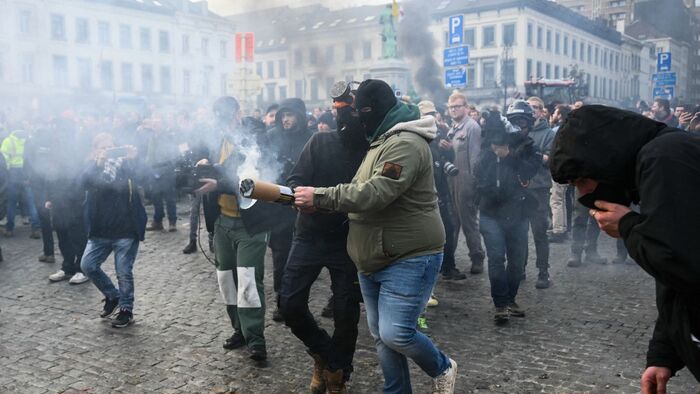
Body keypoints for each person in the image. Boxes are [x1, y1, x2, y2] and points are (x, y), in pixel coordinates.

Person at [294, 79, 457, 394]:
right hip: (375, 253)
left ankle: (442, 366)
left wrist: (322, 197)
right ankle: (396, 390)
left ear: (374, 111)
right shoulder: (381, 139)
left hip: (407, 254)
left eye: (361, 112)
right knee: (382, 334)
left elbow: (377, 192)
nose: (356, 119)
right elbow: (360, 187)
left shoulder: (404, 142)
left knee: (397, 333)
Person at [549, 105, 700, 391]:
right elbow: (674, 280)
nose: (583, 193)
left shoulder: (663, 158)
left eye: (583, 180)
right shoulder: (659, 155)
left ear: (604, 160)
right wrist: (663, 353)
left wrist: (628, 227)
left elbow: (681, 262)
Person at [280, 87, 367, 394]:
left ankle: (338, 378)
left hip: (348, 239)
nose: (347, 119)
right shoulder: (319, 141)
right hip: (310, 235)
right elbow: (294, 180)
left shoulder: (373, 149)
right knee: (289, 303)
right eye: (342, 112)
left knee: (346, 312)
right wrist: (300, 197)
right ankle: (327, 357)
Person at [198, 96, 273, 364]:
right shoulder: (213, 140)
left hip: (250, 225)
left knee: (249, 281)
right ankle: (238, 329)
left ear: (237, 114)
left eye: (226, 115)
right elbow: (206, 169)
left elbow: (249, 181)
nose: (222, 121)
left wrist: (216, 181)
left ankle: (255, 339)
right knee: (226, 279)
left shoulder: (255, 138)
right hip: (221, 222)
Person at [476, 110, 540, 324]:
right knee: (496, 257)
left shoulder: (526, 146)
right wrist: (492, 155)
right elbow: (477, 173)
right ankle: (500, 304)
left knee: (517, 262)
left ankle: (510, 299)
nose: (520, 127)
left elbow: (532, 169)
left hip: (518, 213)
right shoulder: (487, 147)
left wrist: (509, 156)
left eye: (523, 124)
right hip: (490, 213)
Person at [80, 133, 147, 328]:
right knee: (87, 265)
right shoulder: (92, 167)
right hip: (100, 231)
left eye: (111, 148)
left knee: (124, 272)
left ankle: (126, 310)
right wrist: (98, 163)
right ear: (96, 150)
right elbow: (81, 183)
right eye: (103, 148)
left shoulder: (127, 166)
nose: (108, 153)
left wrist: (136, 159)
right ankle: (112, 296)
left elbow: (147, 178)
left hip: (125, 230)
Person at [266, 98, 313, 322]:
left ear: (300, 117)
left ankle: (298, 302)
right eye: (283, 115)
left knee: (303, 259)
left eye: (290, 115)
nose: (285, 119)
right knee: (280, 257)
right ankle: (281, 301)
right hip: (278, 206)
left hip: (304, 204)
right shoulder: (272, 136)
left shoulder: (312, 139)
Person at [419, 100, 462, 282]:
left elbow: (448, 160)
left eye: (432, 113)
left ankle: (448, 266)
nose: (431, 117)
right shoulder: (417, 135)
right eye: (426, 114)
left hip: (441, 188)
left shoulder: (440, 132)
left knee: (449, 227)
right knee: (427, 234)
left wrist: (449, 150)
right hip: (425, 191)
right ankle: (428, 270)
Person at [516, 97, 555, 289]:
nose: (532, 111)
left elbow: (550, 159)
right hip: (519, 188)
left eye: (536, 108)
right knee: (520, 232)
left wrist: (533, 154)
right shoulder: (518, 129)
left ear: (542, 111)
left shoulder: (548, 133)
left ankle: (543, 271)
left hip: (539, 189)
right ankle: (520, 268)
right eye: (529, 108)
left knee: (539, 232)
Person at [445, 91, 485, 276]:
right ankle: (448, 260)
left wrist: (474, 185)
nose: (454, 110)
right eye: (451, 107)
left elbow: (476, 159)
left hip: (466, 181)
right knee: (452, 222)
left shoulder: (472, 127)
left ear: (466, 108)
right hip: (451, 181)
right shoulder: (452, 128)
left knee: (468, 222)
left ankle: (477, 257)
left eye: (457, 106)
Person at [1, 128, 41, 238]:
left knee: (11, 203)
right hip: (25, 175)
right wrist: (29, 176)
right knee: (31, 203)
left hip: (12, 175)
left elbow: (4, 159)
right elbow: (33, 160)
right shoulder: (28, 142)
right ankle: (36, 228)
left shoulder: (8, 141)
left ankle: (9, 229)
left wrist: (7, 174)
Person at [548, 104, 572, 243]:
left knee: (556, 199)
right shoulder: (571, 129)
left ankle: (558, 230)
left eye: (556, 113)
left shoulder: (558, 130)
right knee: (562, 199)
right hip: (566, 168)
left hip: (559, 168)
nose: (554, 114)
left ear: (561, 115)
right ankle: (561, 227)